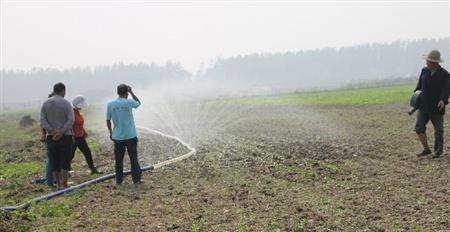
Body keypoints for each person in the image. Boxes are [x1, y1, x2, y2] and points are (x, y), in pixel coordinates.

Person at [413, 50, 450, 159]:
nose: (426, 63)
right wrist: (415, 99)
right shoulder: (424, 71)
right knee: (419, 128)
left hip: (437, 107)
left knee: (438, 130)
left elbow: (446, 90)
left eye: (428, 61)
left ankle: (438, 151)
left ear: (435, 63)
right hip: (423, 106)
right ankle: (426, 149)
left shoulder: (445, 75)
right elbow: (419, 87)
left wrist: (443, 100)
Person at [40, 83, 74, 190]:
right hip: (65, 136)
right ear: (63, 91)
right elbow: (71, 120)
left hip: (51, 137)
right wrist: (61, 132)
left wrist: (52, 131)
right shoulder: (66, 103)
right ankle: (65, 184)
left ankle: (58, 185)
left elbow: (42, 120)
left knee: (54, 161)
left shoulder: (45, 103)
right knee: (64, 161)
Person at [106, 84, 142, 185]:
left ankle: (119, 181)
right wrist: (132, 92)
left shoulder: (110, 104)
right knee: (133, 159)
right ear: (126, 93)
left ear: (117, 92)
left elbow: (108, 120)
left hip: (118, 137)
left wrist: (111, 133)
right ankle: (136, 180)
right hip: (130, 135)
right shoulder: (129, 102)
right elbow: (138, 103)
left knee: (118, 160)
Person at [69, 95, 101, 175]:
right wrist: (72, 135)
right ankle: (65, 171)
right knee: (70, 155)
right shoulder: (71, 113)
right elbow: (69, 125)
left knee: (87, 152)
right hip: (73, 137)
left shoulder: (78, 113)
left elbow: (79, 125)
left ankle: (93, 169)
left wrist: (84, 131)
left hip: (80, 137)